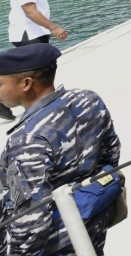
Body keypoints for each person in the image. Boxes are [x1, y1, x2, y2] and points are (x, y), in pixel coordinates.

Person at [0, 43, 121, 254]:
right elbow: (111, 153)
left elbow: (31, 222)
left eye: (0, 83)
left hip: (56, 242)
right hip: (94, 220)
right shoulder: (88, 99)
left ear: (27, 83)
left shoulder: (27, 139)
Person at [6, 0, 69, 121]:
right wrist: (54, 28)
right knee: (38, 72)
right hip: (28, 33)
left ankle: (44, 104)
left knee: (37, 72)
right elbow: (30, 12)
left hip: (35, 31)